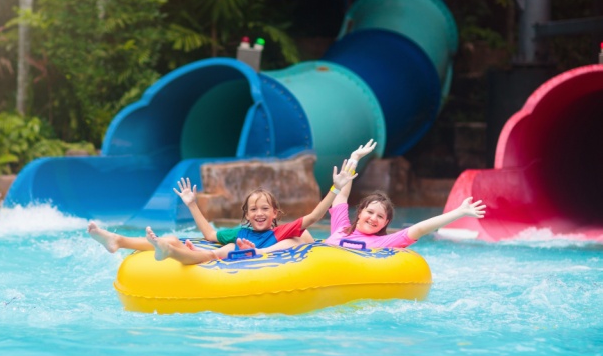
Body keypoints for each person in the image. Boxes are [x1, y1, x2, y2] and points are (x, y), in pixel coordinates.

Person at [88, 153, 362, 264]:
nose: (259, 213)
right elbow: (208, 234)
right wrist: (192, 204)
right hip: (225, 253)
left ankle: (168, 251)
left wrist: (335, 188)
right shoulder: (240, 232)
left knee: (226, 250)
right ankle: (117, 240)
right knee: (172, 238)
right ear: (246, 215)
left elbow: (314, 216)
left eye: (265, 208)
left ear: (275, 213)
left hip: (242, 260)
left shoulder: (282, 233)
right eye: (253, 209)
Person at [323, 187, 486, 249]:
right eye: (370, 212)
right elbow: (341, 194)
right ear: (360, 212)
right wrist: (354, 160)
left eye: (380, 216)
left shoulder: (383, 243)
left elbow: (420, 229)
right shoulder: (340, 227)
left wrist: (460, 211)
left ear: (385, 223)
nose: (373, 218)